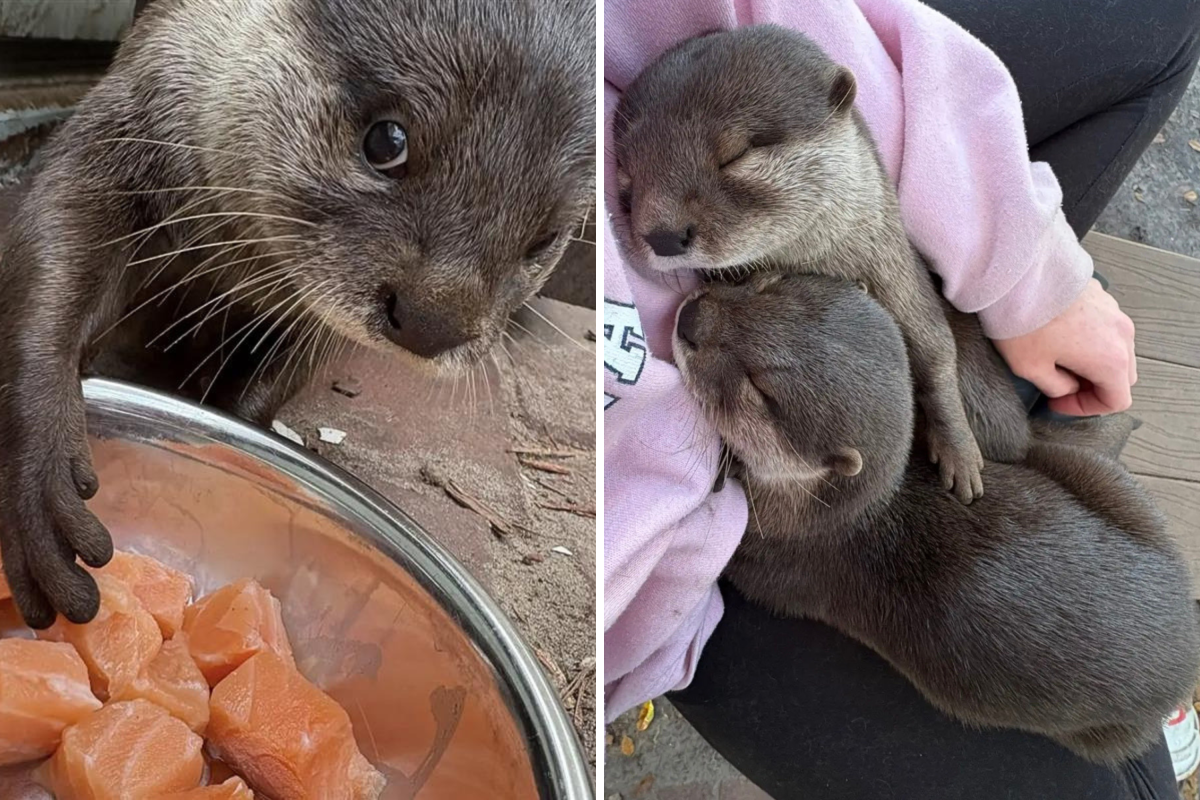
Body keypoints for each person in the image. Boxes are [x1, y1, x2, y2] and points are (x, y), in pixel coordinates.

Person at [601, 0, 1200, 797]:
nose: (651, 222)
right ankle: (1146, 696)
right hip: (690, 554)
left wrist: (1031, 280)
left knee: (1166, 25)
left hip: (859, 402)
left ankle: (1145, 681)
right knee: (1132, 778)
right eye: (626, 185)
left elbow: (791, 41)